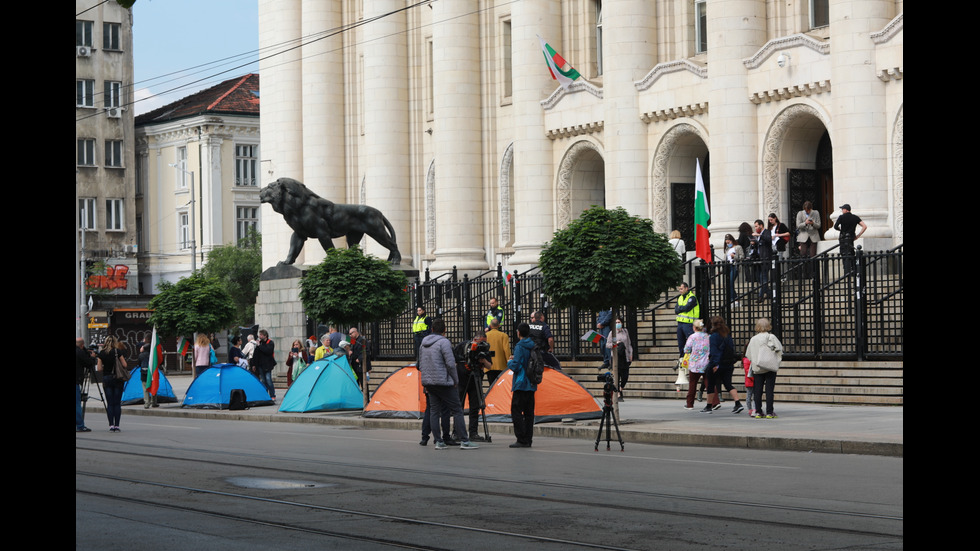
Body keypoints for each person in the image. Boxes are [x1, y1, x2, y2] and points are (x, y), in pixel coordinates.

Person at [418, 319, 478, 450]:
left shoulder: (423, 344)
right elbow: (450, 364)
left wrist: (426, 380)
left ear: (432, 329)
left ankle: (438, 441)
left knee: (434, 411)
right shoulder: (444, 342)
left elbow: (421, 364)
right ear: (444, 331)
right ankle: (464, 440)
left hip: (429, 382)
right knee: (457, 409)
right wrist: (455, 380)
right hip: (443, 382)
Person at [701, 316, 744, 414]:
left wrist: (714, 364)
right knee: (728, 384)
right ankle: (738, 403)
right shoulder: (727, 335)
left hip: (717, 364)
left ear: (713, 324)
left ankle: (708, 406)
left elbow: (715, 352)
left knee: (711, 385)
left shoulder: (713, 336)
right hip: (728, 364)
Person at [455, 332, 491, 442]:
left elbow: (489, 366)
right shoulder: (462, 346)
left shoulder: (484, 349)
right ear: (475, 339)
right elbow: (453, 361)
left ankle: (473, 433)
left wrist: (483, 360)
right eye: (480, 342)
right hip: (462, 379)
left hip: (476, 378)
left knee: (475, 407)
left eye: (484, 342)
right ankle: (456, 432)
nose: (482, 345)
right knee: (458, 406)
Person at [745, 318, 783, 419]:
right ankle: (770, 412)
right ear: (768, 326)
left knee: (758, 390)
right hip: (770, 367)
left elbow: (748, 354)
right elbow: (779, 350)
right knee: (769, 390)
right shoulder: (772, 337)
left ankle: (758, 411)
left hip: (757, 368)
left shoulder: (753, 339)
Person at [508, 323, 537, 448]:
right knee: (529, 413)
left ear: (519, 332)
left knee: (516, 410)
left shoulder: (519, 346)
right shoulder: (533, 345)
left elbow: (516, 366)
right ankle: (528, 439)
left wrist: (509, 362)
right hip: (531, 382)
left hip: (521, 382)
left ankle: (521, 438)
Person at [97, 336, 128, 432]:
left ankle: (111, 425)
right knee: (117, 403)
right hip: (117, 378)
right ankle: (117, 425)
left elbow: (99, 369)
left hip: (107, 378)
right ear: (115, 342)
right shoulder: (117, 352)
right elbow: (124, 365)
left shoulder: (101, 353)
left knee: (110, 403)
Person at [682, 319, 710, 410]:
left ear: (694, 327)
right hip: (706, 362)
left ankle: (690, 404)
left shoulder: (692, 337)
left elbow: (686, 349)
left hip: (695, 363)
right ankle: (714, 402)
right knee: (709, 383)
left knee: (693, 383)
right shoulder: (707, 336)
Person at [605, 318, 633, 402]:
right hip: (616, 356)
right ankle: (618, 393)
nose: (617, 324)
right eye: (616, 322)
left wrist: (630, 353)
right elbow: (607, 344)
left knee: (625, 376)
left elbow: (628, 344)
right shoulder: (612, 333)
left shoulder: (625, 331)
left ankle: (621, 389)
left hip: (625, 356)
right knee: (617, 375)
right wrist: (615, 343)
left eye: (619, 322)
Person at [833, 203, 867, 272]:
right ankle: (853, 270)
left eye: (842, 209)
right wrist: (858, 236)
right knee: (851, 253)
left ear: (846, 210)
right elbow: (864, 226)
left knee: (844, 254)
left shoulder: (841, 217)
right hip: (851, 238)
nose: (842, 211)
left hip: (843, 239)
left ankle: (846, 271)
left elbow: (835, 226)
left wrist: (840, 229)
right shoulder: (855, 217)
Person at [76, 337, 96, 432]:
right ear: (82, 345)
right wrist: (92, 357)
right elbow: (88, 363)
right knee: (77, 404)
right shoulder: (80, 353)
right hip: (76, 381)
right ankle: (80, 425)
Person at [484, 317, 511, 386]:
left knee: (491, 386)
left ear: (490, 326)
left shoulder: (486, 336)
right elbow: (506, 350)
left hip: (489, 366)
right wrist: (509, 362)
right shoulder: (504, 336)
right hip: (501, 365)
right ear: (499, 326)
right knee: (500, 386)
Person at [674, 282, 699, 356]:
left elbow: (687, 308)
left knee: (690, 343)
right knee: (681, 343)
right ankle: (682, 360)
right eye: (679, 289)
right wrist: (682, 308)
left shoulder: (692, 297)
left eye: (681, 289)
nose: (680, 291)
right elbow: (676, 310)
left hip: (689, 323)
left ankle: (691, 359)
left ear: (686, 288)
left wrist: (680, 308)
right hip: (680, 323)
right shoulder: (680, 298)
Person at [752, 219, 773, 302]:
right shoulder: (758, 234)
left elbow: (769, 240)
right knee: (759, 277)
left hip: (766, 258)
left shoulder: (767, 232)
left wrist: (759, 235)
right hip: (759, 258)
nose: (756, 228)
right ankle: (768, 292)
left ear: (761, 225)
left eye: (756, 226)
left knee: (763, 277)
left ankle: (760, 296)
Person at [253, 329, 277, 400]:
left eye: (261, 335)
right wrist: (254, 364)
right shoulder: (259, 343)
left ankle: (272, 395)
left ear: (265, 336)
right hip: (260, 365)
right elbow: (255, 354)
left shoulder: (270, 343)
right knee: (263, 381)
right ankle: (265, 395)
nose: (259, 336)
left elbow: (268, 351)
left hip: (268, 364)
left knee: (268, 380)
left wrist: (260, 346)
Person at [723, 234, 744, 306]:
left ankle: (733, 299)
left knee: (730, 282)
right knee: (729, 283)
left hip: (735, 266)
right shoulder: (727, 249)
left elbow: (742, 257)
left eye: (728, 242)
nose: (728, 244)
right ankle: (735, 298)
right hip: (728, 266)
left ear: (732, 241)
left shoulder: (738, 247)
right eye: (726, 243)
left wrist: (734, 256)